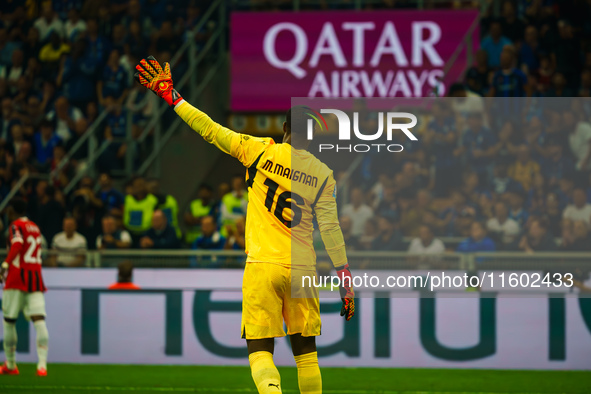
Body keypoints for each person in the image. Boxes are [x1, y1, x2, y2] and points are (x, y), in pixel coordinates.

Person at [135, 56, 354, 394]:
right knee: (306, 355)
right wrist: (344, 278)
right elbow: (330, 229)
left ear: (284, 130)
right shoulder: (324, 175)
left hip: (263, 265)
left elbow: (209, 128)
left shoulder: (258, 152)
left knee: (260, 351)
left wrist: (171, 95)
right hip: (302, 267)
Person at [0, 198, 49, 376]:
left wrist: (5, 264)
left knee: (9, 321)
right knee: (39, 320)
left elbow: (18, 244)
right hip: (35, 278)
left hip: (17, 276)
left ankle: (11, 365)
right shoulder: (35, 228)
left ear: (12, 211)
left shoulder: (15, 226)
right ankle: (42, 366)